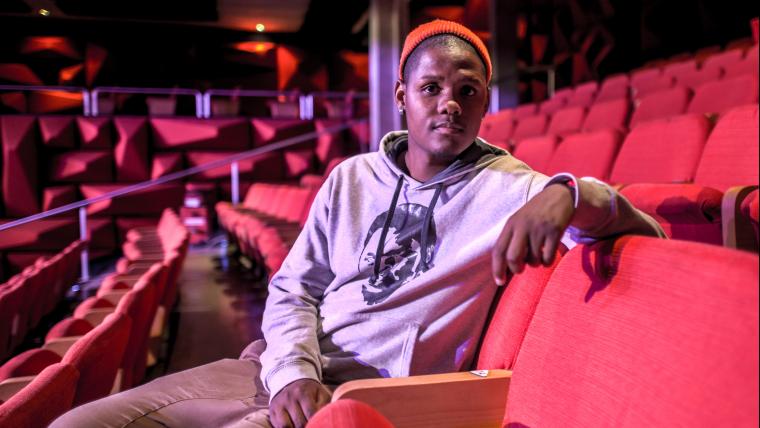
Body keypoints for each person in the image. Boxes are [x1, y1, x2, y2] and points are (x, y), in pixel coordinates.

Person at [52, 19, 663, 428]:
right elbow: (295, 289)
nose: (449, 102)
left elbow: (652, 237)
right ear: (402, 97)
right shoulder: (351, 177)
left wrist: (571, 191)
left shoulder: (513, 189)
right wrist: (292, 366)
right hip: (287, 368)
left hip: (364, 400)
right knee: (74, 424)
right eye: (432, 87)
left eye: (468, 91)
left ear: (485, 101)